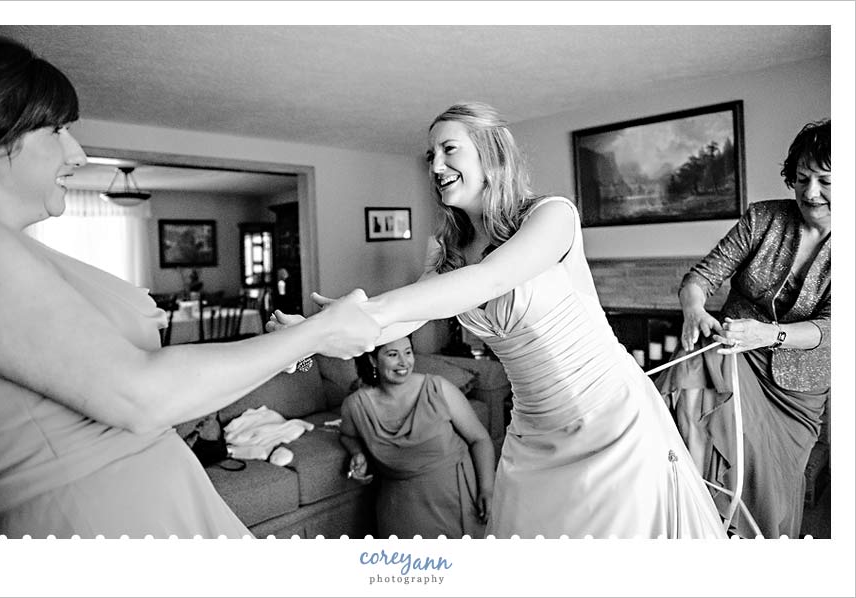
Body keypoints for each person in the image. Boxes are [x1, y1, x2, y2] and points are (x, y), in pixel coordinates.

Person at [0, 34, 379, 539]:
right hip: (100, 518)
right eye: (57, 129)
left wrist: (291, 346)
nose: (77, 152)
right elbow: (140, 392)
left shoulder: (9, 249)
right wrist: (312, 338)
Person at [274, 102, 726, 538]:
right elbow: (404, 322)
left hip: (610, 417)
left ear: (491, 154)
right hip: (533, 433)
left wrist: (362, 310)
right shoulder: (447, 251)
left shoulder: (552, 215)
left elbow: (490, 280)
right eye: (431, 155)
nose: (435, 166)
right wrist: (313, 337)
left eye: (450, 149)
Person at [655, 120, 831, 538]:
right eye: (802, 179)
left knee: (772, 490)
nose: (810, 193)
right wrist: (694, 309)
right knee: (686, 392)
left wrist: (771, 334)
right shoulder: (763, 218)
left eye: (826, 181)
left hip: (797, 391)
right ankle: (696, 530)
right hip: (730, 356)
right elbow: (700, 278)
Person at [339, 336, 495, 538]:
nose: (404, 362)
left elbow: (479, 439)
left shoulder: (439, 389)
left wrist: (487, 489)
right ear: (373, 360)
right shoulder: (355, 405)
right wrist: (357, 453)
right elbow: (347, 435)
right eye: (393, 354)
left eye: (408, 352)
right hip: (400, 507)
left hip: (457, 498)